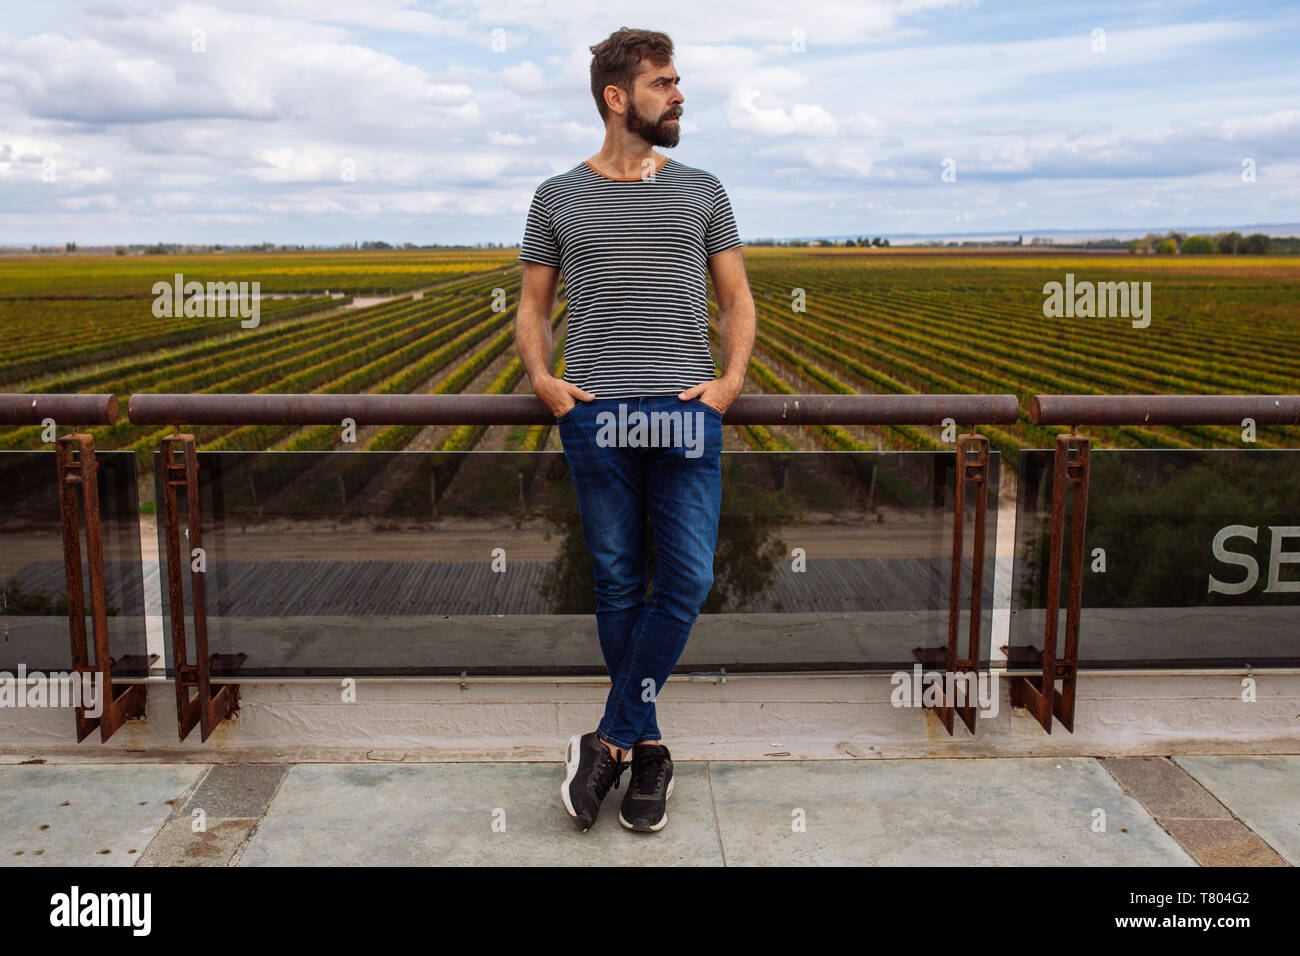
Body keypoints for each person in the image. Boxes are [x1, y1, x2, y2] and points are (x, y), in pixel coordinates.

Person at [514, 27, 755, 832]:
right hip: (597, 416)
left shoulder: (703, 190)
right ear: (619, 99)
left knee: (684, 579)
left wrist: (729, 383)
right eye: (663, 83)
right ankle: (647, 750)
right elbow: (532, 307)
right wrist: (544, 381)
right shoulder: (556, 196)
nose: (679, 94)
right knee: (618, 581)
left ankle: (611, 739)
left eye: (677, 82)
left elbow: (738, 301)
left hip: (686, 414)